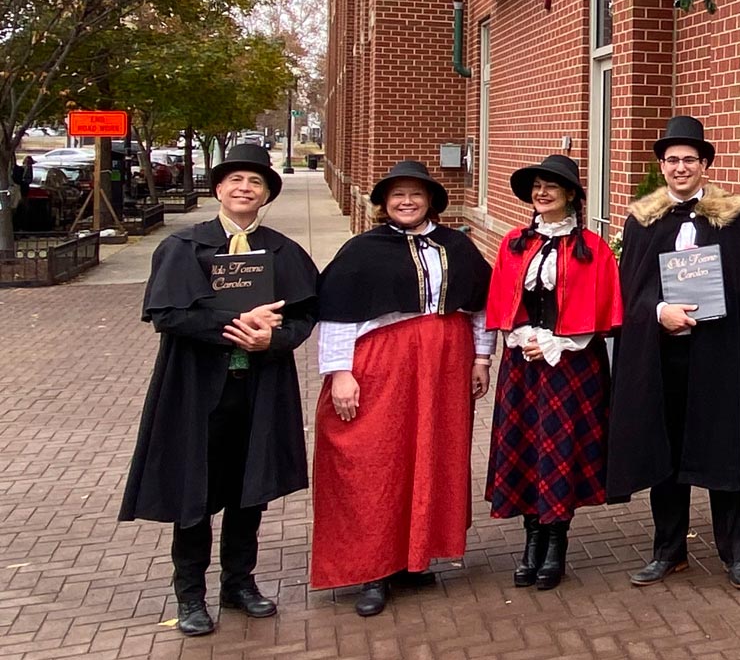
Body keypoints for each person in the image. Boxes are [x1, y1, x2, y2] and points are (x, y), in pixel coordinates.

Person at [118, 143, 319, 637]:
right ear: (219, 190)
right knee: (195, 489)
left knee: (249, 488)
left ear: (266, 193)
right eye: (235, 181)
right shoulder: (184, 248)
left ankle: (239, 583)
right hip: (196, 387)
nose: (244, 189)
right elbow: (167, 314)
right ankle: (190, 594)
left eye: (254, 182)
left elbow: (304, 316)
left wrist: (274, 337)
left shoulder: (283, 252)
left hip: (258, 385)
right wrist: (233, 322)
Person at [310, 161, 493, 617]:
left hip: (446, 364)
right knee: (376, 457)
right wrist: (339, 372)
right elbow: (337, 312)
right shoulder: (362, 250)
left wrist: (482, 357)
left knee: (432, 454)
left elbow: (480, 308)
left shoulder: (458, 246)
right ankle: (374, 566)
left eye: (415, 193)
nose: (407, 201)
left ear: (431, 199)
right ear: (384, 203)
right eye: (397, 195)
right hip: (382, 363)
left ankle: (414, 557)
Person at [608, 116, 740, 591]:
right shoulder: (643, 221)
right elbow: (631, 288)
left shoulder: (733, 217)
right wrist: (659, 309)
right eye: (672, 160)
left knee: (723, 448)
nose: (680, 167)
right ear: (661, 167)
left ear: (705, 165)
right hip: (663, 357)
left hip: (717, 354)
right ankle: (668, 551)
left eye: (689, 159)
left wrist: (719, 302)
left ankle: (735, 553)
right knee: (667, 451)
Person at [483, 155, 621, 591]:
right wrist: (524, 337)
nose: (542, 193)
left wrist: (557, 343)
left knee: (561, 448)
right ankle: (531, 542)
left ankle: (556, 543)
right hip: (522, 363)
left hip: (573, 365)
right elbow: (503, 301)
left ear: (571, 196)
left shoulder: (593, 249)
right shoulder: (513, 244)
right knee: (526, 446)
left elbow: (601, 311)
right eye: (537, 186)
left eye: (552, 187)